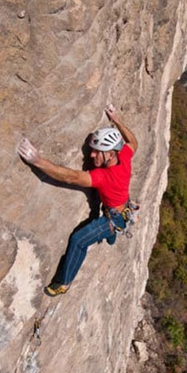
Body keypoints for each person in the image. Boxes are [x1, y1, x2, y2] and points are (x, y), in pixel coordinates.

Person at [17, 105, 138, 296]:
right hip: (120, 210)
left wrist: (37, 160)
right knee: (105, 213)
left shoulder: (103, 177)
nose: (91, 155)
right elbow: (133, 142)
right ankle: (111, 235)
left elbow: (71, 177)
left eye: (97, 152)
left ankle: (64, 283)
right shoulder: (124, 154)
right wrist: (116, 119)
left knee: (79, 240)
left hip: (113, 218)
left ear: (110, 154)